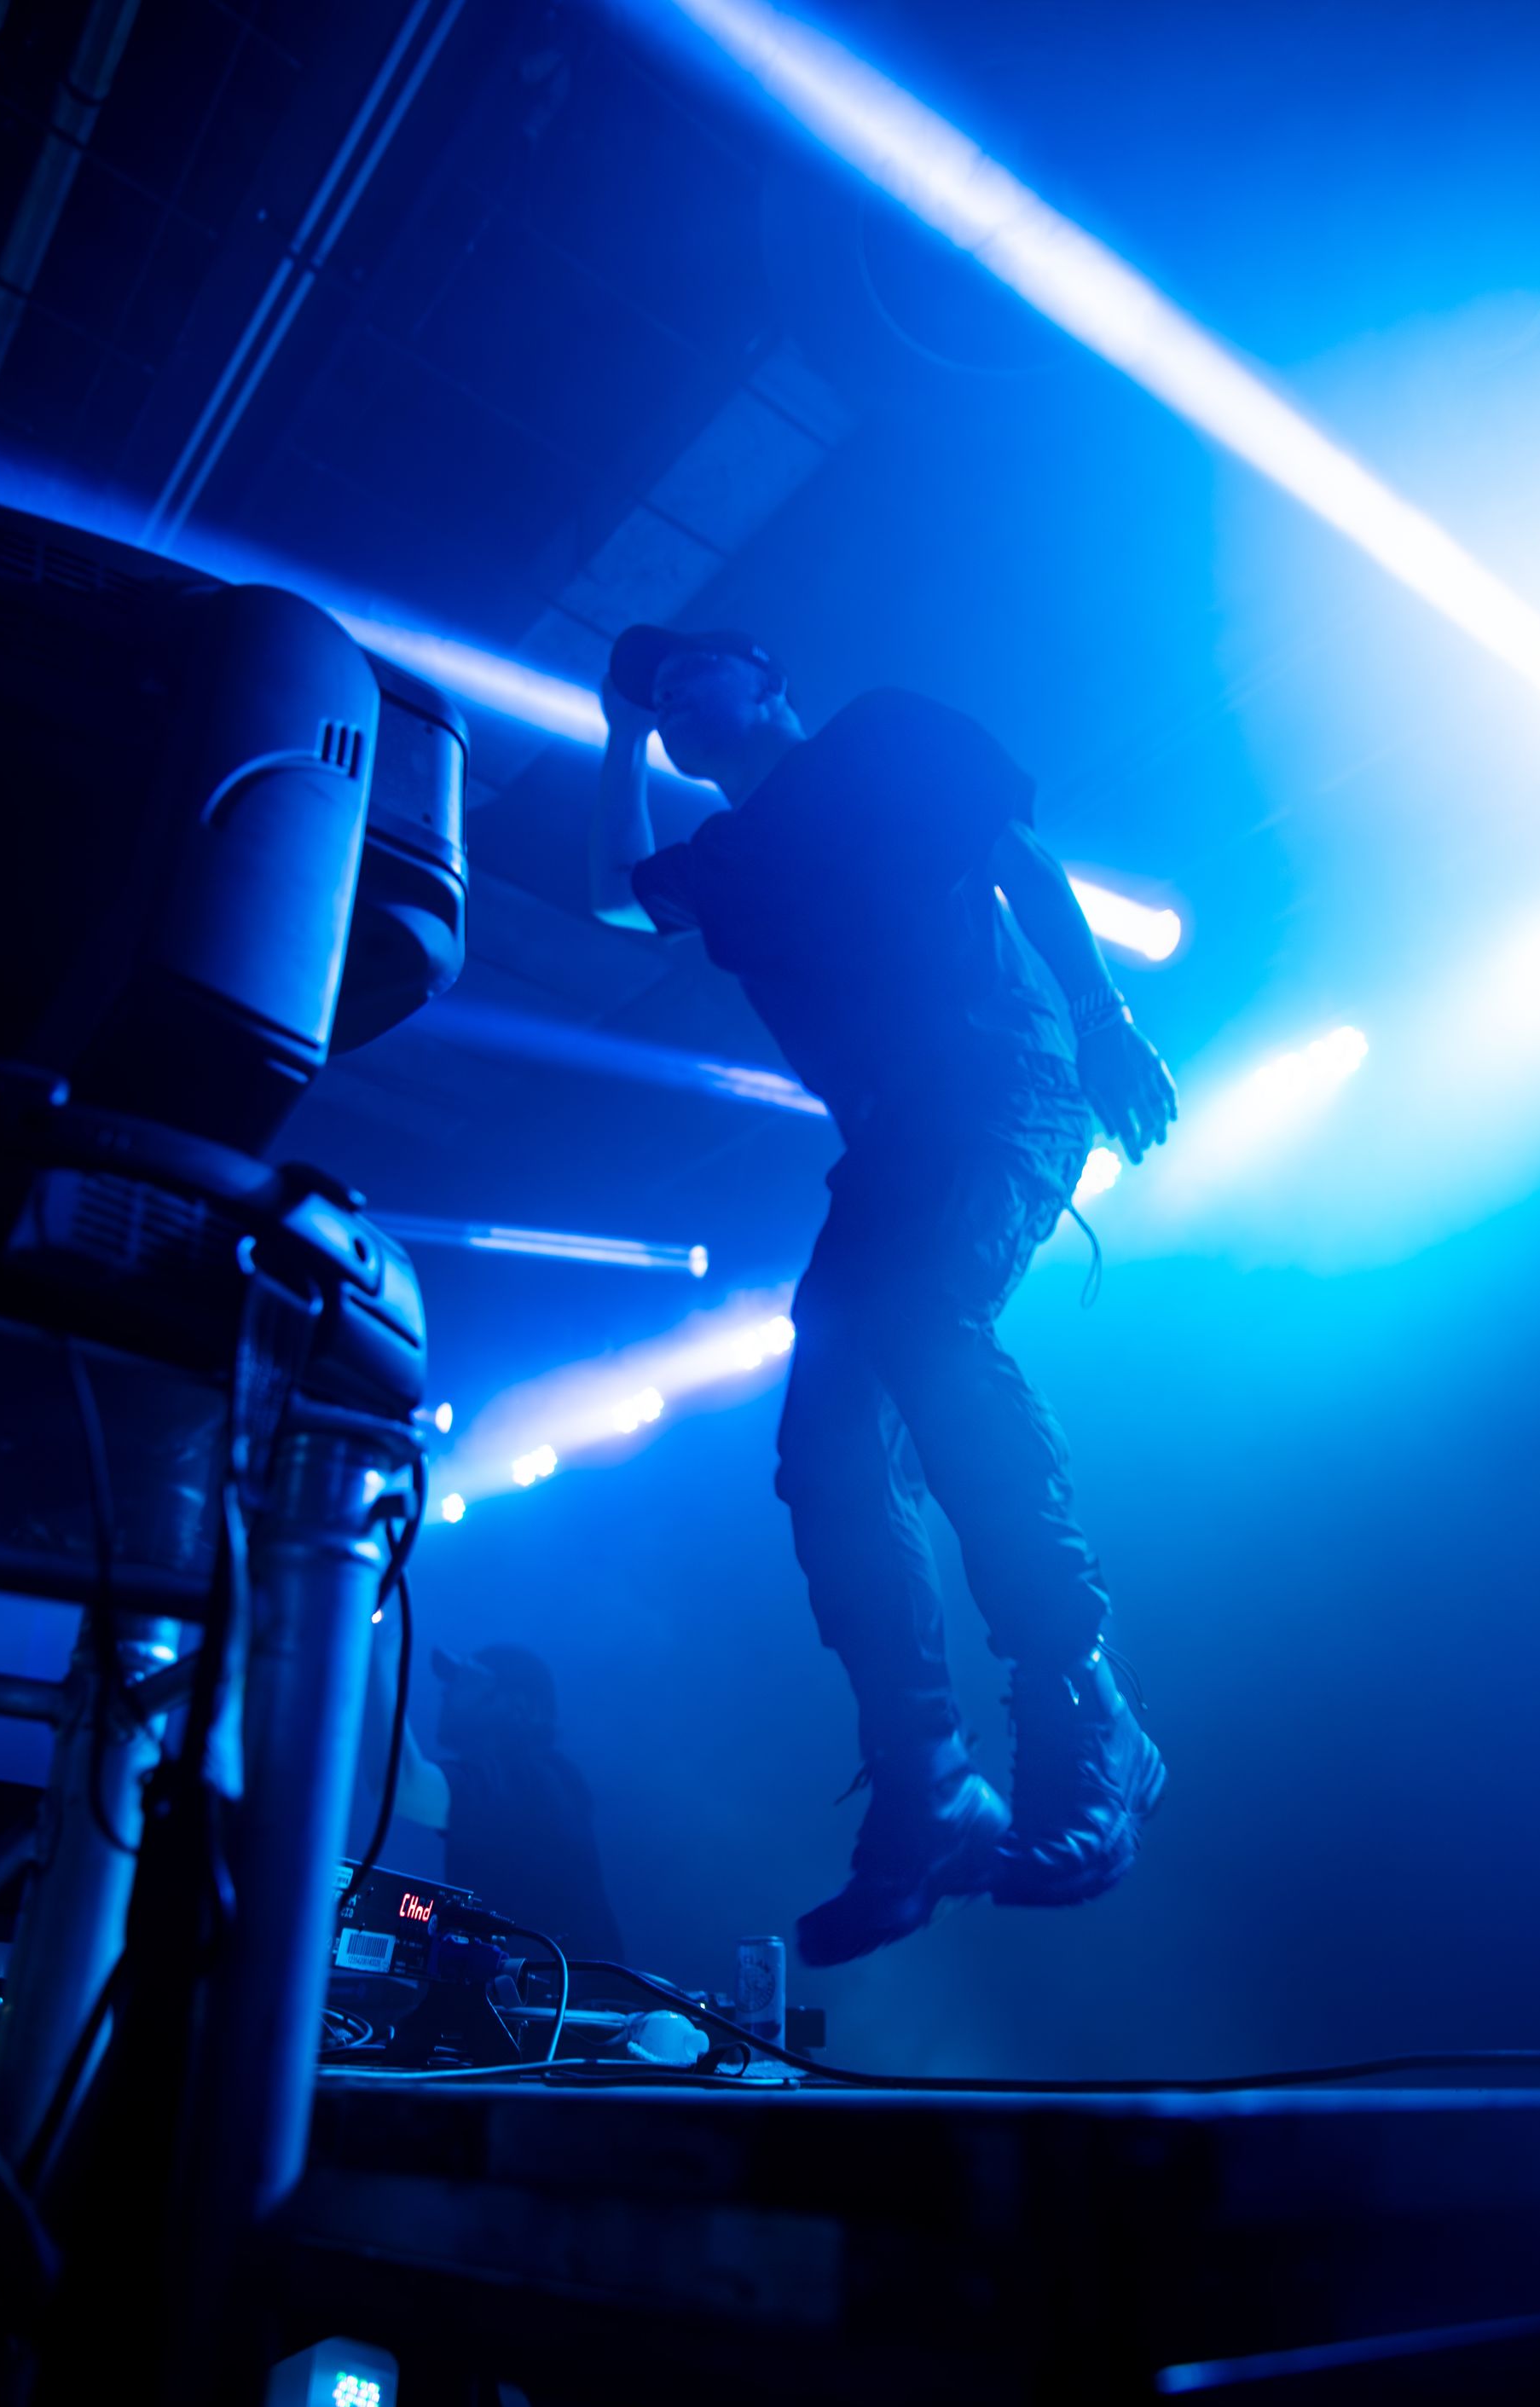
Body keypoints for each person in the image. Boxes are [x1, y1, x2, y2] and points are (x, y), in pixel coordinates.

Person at [590, 627, 1178, 1968]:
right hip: (892, 1147)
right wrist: (618, 734)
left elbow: (1015, 858)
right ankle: (930, 1784)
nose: (680, 702)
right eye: (662, 700)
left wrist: (1102, 1017)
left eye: (697, 678)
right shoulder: (725, 861)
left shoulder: (877, 738)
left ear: (771, 673)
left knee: (924, 1330)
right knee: (825, 1452)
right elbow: (619, 899)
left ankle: (1088, 1708)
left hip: (1002, 1094)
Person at [359, 1627, 625, 1962]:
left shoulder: (531, 1782)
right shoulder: (533, 1779)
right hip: (545, 2003)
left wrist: (375, 1661)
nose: (447, 1689)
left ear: (519, 1703)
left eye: (467, 1677)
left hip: (563, 2008)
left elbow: (402, 1785)